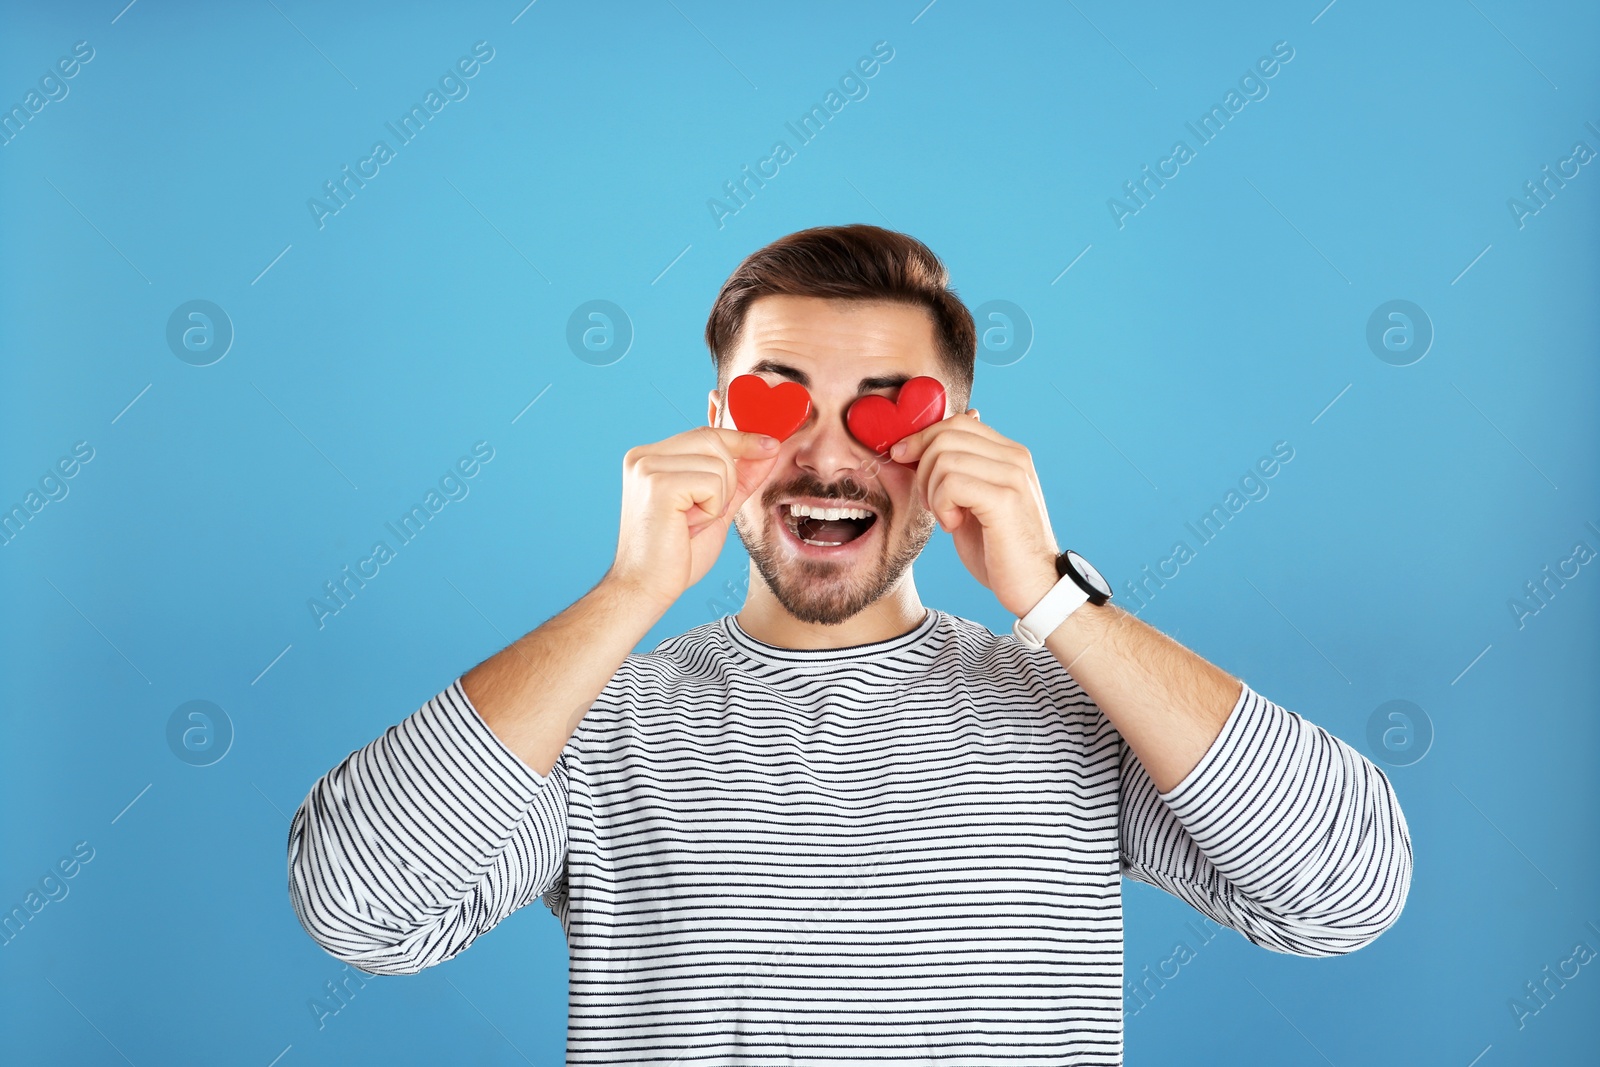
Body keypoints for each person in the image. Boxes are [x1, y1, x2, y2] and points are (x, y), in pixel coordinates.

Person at [286, 224, 1412, 1065]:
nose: (828, 459)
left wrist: (1054, 599)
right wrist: (628, 592)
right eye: (777, 406)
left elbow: (1344, 890)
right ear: (714, 428)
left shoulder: (1075, 702)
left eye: (886, 409)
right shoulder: (596, 721)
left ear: (961, 439)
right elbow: (360, 908)